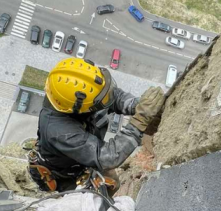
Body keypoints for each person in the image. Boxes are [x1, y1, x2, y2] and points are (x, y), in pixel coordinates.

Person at [28, 58, 165, 193]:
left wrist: (136, 105)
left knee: (111, 180)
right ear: (78, 108)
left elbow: (112, 97)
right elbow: (108, 157)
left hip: (81, 151)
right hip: (66, 174)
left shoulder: (73, 96)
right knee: (105, 191)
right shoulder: (60, 132)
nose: (106, 99)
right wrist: (140, 120)